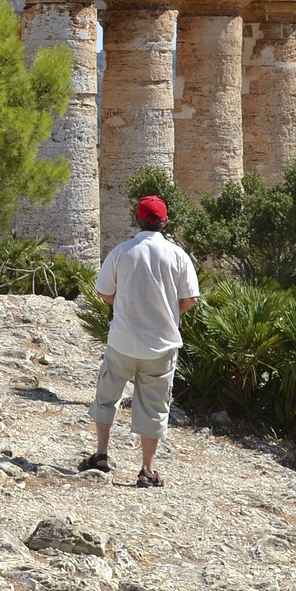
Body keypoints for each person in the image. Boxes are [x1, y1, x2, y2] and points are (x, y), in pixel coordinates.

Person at [83, 195, 199, 487]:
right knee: (155, 407)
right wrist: (168, 312)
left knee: (107, 396)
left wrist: (123, 303)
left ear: (136, 220)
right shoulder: (178, 255)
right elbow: (191, 299)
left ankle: (101, 455)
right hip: (162, 343)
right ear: (165, 221)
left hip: (123, 339)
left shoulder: (121, 252)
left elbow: (104, 292)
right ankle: (147, 470)